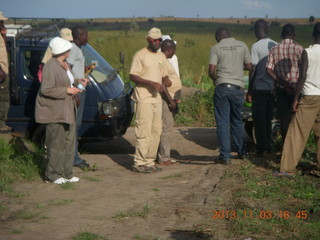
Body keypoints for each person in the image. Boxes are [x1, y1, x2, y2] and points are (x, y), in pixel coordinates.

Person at [35, 37, 87, 184]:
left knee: (69, 142)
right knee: (56, 144)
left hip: (68, 110)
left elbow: (69, 80)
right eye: (68, 49)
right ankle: (53, 175)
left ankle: (67, 173)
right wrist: (67, 90)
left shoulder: (64, 64)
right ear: (63, 51)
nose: (70, 51)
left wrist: (79, 82)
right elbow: (46, 89)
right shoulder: (50, 66)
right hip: (55, 112)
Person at [276, 23, 320, 176]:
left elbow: (302, 76)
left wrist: (295, 99)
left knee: (297, 133)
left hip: (310, 96)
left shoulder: (307, 52)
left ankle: (287, 168)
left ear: (313, 35)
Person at [209, 27, 252, 165]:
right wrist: (238, 66)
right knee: (237, 120)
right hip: (238, 88)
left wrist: (217, 80)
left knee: (222, 122)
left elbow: (211, 71)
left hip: (222, 88)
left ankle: (225, 156)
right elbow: (250, 66)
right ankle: (242, 151)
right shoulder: (242, 45)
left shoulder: (216, 47)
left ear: (218, 37)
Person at [130, 27, 169, 173]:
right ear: (148, 40)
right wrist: (151, 83)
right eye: (154, 40)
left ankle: (149, 161)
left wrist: (166, 81)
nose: (157, 43)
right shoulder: (140, 55)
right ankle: (139, 162)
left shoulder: (161, 57)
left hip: (157, 99)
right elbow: (133, 76)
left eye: (159, 40)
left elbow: (164, 75)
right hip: (144, 98)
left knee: (156, 131)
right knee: (144, 130)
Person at [266, 24, 304, 143]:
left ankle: (285, 149)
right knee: (296, 121)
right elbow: (304, 71)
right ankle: (295, 151)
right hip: (296, 89)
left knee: (283, 120)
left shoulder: (274, 49)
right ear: (293, 34)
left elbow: (268, 69)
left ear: (282, 35)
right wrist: (294, 85)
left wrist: (283, 82)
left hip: (281, 89)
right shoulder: (299, 49)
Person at [247, 19, 277, 156]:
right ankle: (269, 147)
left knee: (258, 119)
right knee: (268, 118)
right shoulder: (275, 45)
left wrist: (249, 90)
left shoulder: (256, 46)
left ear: (255, 31)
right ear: (267, 30)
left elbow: (252, 69)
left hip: (259, 88)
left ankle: (261, 148)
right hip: (273, 89)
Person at [67, 25, 90, 170]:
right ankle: (74, 158)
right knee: (74, 126)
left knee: (76, 125)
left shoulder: (77, 49)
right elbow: (67, 70)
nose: (87, 38)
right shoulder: (73, 49)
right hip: (76, 91)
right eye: (86, 35)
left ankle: (74, 156)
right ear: (80, 35)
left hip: (79, 88)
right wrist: (74, 92)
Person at [157, 39, 182, 166]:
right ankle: (163, 157)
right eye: (173, 50)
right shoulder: (162, 61)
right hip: (166, 99)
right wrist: (170, 101)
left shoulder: (164, 60)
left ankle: (162, 155)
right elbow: (163, 83)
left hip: (170, 98)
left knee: (166, 127)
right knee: (166, 128)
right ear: (169, 49)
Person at [0, 11, 11, 133]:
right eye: (1, 22)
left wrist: (4, 36)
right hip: (1, 72)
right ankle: (1, 124)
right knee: (3, 99)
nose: (3, 24)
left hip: (3, 70)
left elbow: (4, 50)